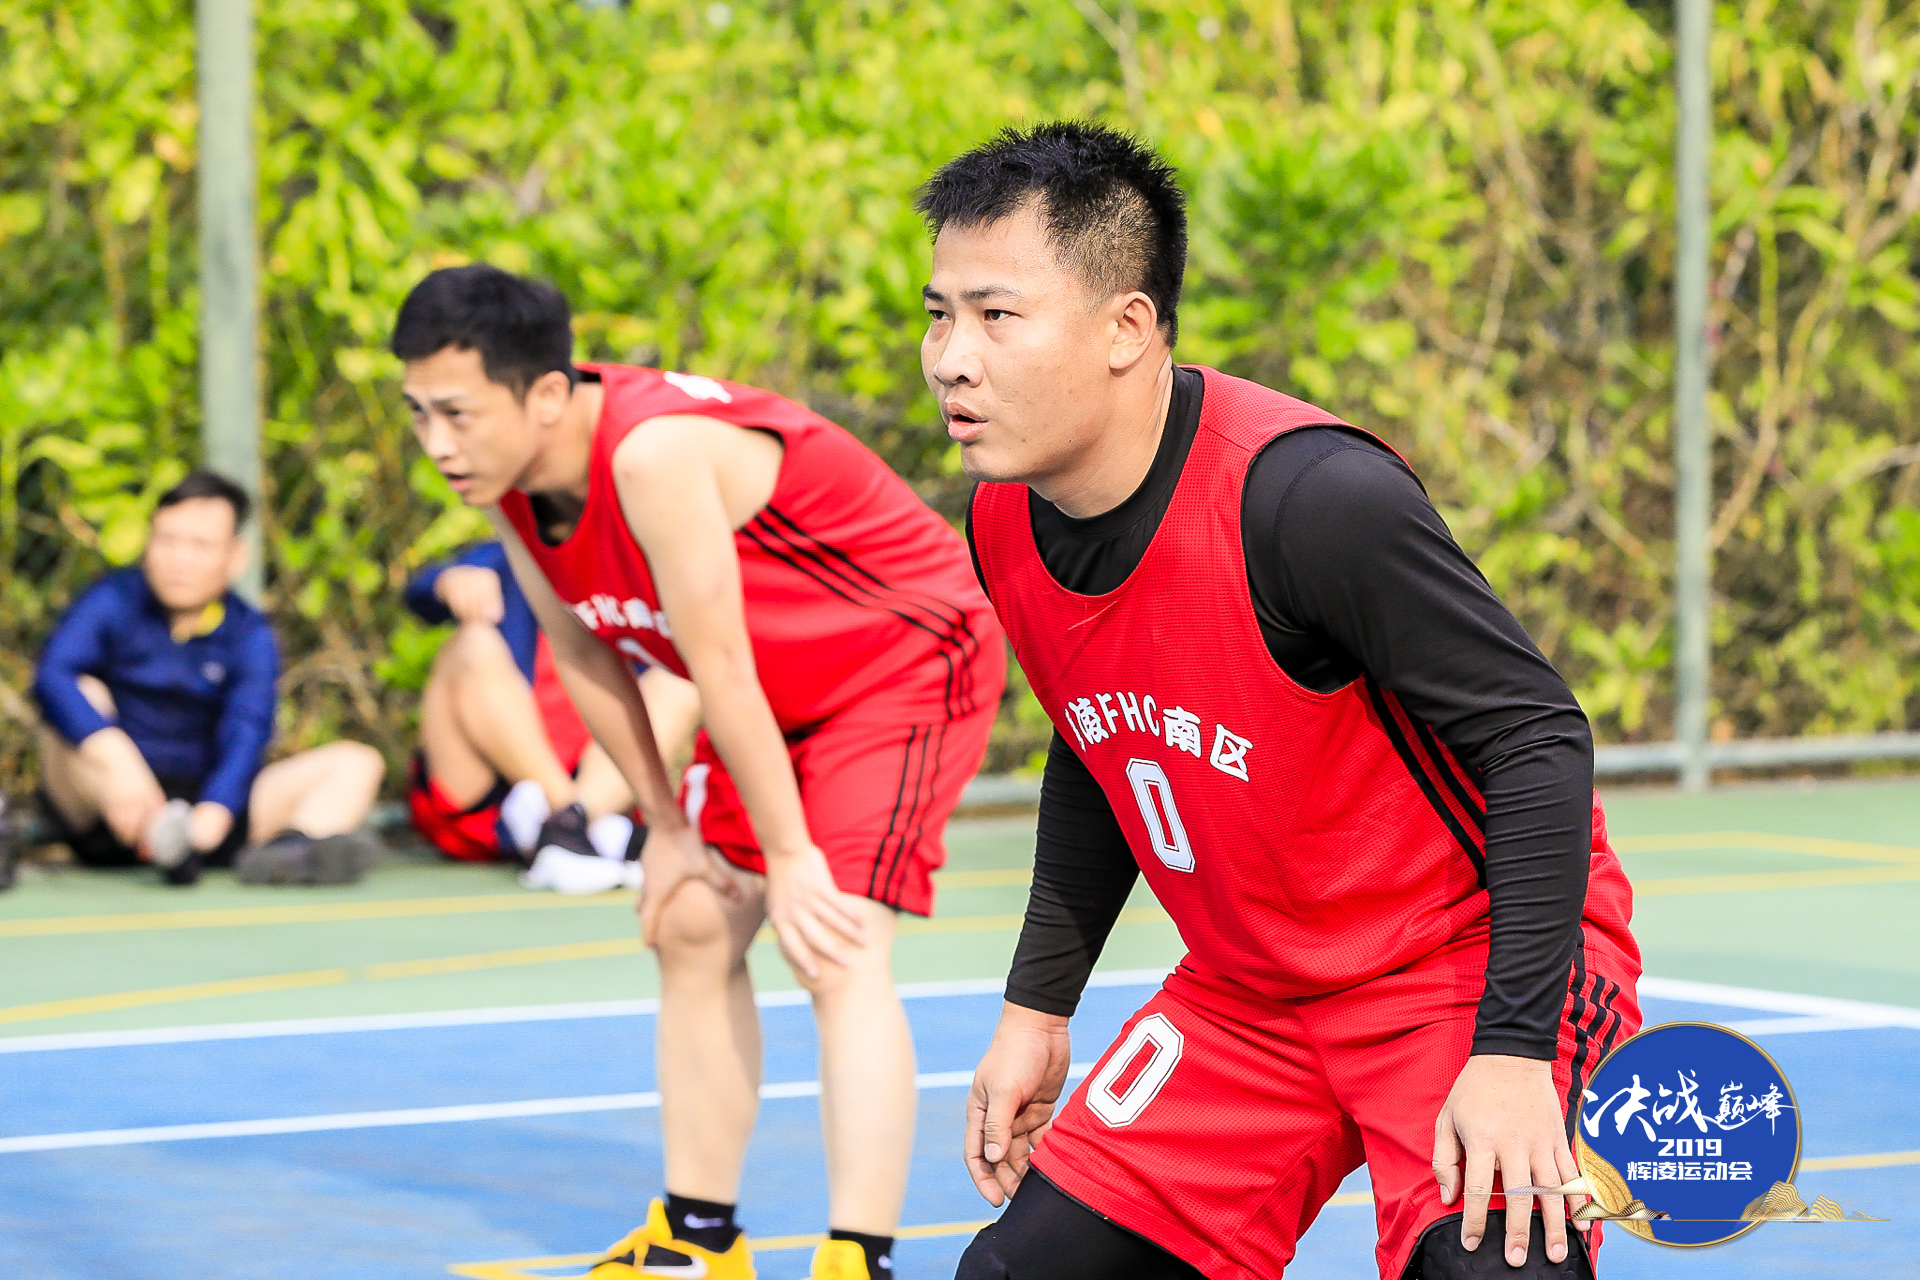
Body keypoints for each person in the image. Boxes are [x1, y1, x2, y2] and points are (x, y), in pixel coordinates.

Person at [927, 124, 1642, 1280]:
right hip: (1249, 993)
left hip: (1458, 965)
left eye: (995, 315)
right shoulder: (1006, 516)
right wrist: (1037, 1006)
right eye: (939, 315)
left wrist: (1516, 1051)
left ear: (1126, 328)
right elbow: (1100, 740)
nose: (953, 359)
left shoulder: (1310, 499)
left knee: (1493, 1269)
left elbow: (1538, 737)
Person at [389, 264, 1007, 1280]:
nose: (436, 443)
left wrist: (791, 856)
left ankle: (859, 1258)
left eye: (456, 413)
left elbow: (716, 666)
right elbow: (586, 652)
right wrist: (666, 832)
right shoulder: (510, 486)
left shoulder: (653, 454)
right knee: (690, 921)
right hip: (771, 684)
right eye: (418, 413)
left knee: (835, 941)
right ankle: (698, 1240)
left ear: (544, 395)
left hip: (903, 657)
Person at [34, 470, 385, 887]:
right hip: (109, 806)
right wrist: (117, 760)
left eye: (200, 545)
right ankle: (162, 837)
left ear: (236, 556)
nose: (179, 559)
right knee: (81, 692)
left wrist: (214, 812)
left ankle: (293, 850)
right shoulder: (113, 598)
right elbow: (52, 676)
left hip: (208, 813)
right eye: (167, 540)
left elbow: (248, 730)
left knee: (358, 763)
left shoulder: (250, 632)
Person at [405, 540, 701, 892]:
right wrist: (450, 580)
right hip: (489, 792)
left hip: (599, 781)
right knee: (473, 642)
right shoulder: (513, 553)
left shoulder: (637, 567)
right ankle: (571, 824)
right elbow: (418, 594)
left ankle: (570, 823)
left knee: (681, 676)